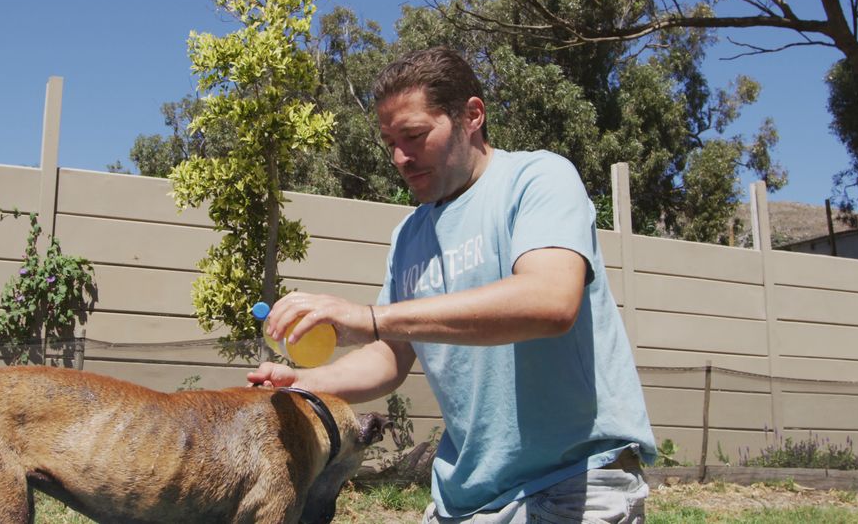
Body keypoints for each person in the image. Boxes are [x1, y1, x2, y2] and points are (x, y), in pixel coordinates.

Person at [248, 47, 657, 523]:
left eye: (415, 135)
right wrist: (307, 384)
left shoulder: (538, 179)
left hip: (572, 486)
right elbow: (392, 353)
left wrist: (372, 317)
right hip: (463, 501)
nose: (400, 157)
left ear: (472, 115)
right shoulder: (410, 236)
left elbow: (550, 301)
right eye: (390, 142)